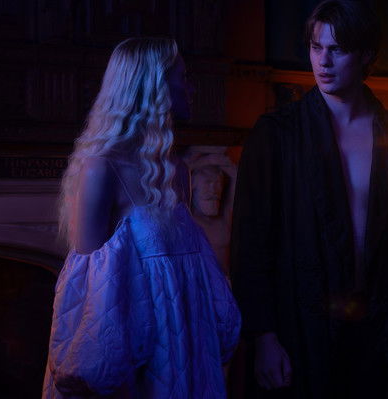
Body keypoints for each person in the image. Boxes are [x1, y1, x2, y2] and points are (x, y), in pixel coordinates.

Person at [232, 0, 388, 398]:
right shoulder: (276, 134)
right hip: (300, 329)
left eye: (338, 49)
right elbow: (251, 245)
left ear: (366, 55)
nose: (323, 62)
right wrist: (263, 336)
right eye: (316, 47)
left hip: (382, 327)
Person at [43, 37, 241, 398]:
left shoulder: (177, 171)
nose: (192, 88)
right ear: (155, 87)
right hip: (134, 358)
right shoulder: (102, 168)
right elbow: (85, 290)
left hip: (185, 345)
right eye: (183, 78)